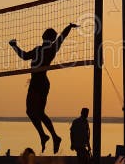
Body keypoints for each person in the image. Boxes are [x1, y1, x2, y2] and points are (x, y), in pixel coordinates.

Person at [10, 23, 78, 153]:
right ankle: (51, 136)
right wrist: (69, 27)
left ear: (43, 37)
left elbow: (23, 56)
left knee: (32, 112)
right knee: (37, 112)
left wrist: (14, 45)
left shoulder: (44, 49)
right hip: (41, 83)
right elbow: (62, 37)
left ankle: (46, 135)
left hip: (38, 82)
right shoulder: (48, 49)